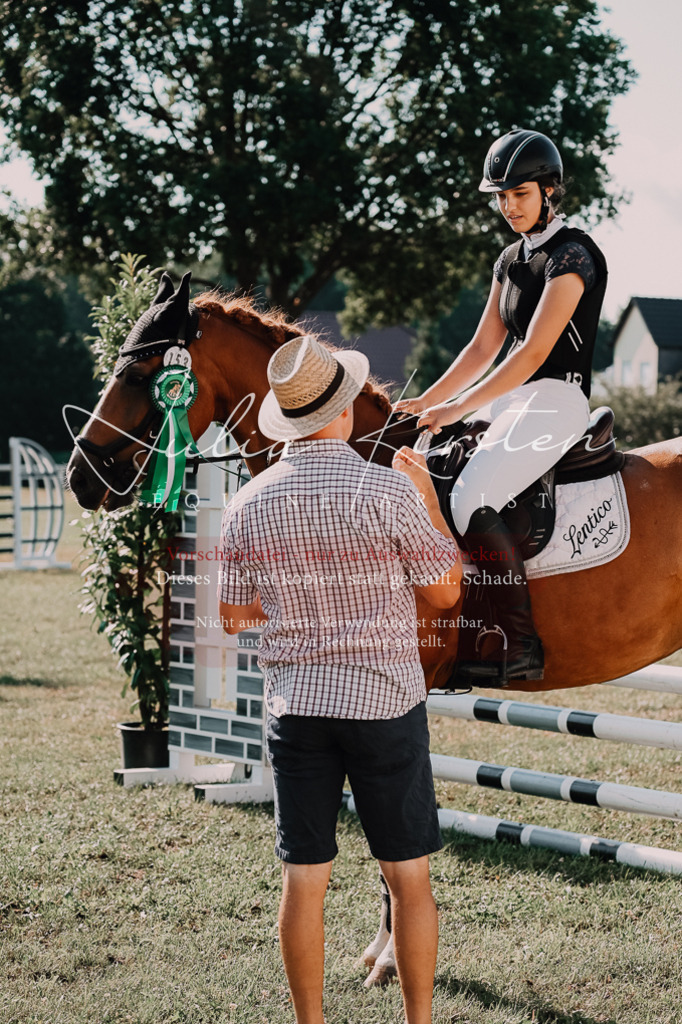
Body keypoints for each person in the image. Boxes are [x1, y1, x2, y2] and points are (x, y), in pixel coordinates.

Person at [218, 334, 460, 1024]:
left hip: (296, 709)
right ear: (347, 410)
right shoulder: (386, 488)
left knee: (303, 881)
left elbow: (234, 614)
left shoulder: (249, 501)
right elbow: (444, 593)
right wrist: (429, 500)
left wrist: (298, 592)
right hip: (384, 702)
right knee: (409, 877)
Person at [394, 127, 608, 683]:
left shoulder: (574, 255)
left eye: (520, 193)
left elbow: (534, 350)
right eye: (501, 197)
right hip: (511, 399)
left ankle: (522, 639)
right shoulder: (509, 258)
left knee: (470, 496)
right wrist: (429, 400)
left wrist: (458, 406)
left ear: (549, 190)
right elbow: (483, 346)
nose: (509, 206)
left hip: (556, 399)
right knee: (430, 473)